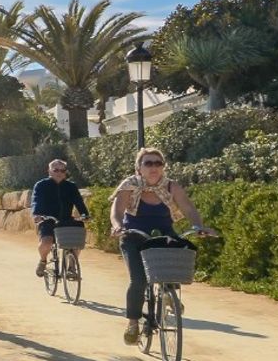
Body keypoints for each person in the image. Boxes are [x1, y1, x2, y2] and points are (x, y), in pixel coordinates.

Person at [109, 148, 217, 345]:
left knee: (175, 262)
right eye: (148, 163)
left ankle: (168, 294)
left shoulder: (170, 186)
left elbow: (188, 207)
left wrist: (198, 227)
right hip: (134, 236)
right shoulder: (129, 186)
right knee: (139, 280)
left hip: (163, 234)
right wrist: (117, 226)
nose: (154, 167)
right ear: (138, 168)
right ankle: (133, 323)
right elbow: (116, 211)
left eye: (158, 163)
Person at [30, 159, 89, 278]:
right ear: (49, 171)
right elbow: (36, 201)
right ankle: (43, 261)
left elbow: (79, 202)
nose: (59, 173)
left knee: (76, 241)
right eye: (56, 170)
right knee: (46, 243)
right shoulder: (41, 185)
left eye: (62, 170)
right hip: (47, 220)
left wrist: (84, 214)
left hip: (66, 220)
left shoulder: (71, 186)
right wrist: (37, 214)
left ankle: (71, 267)